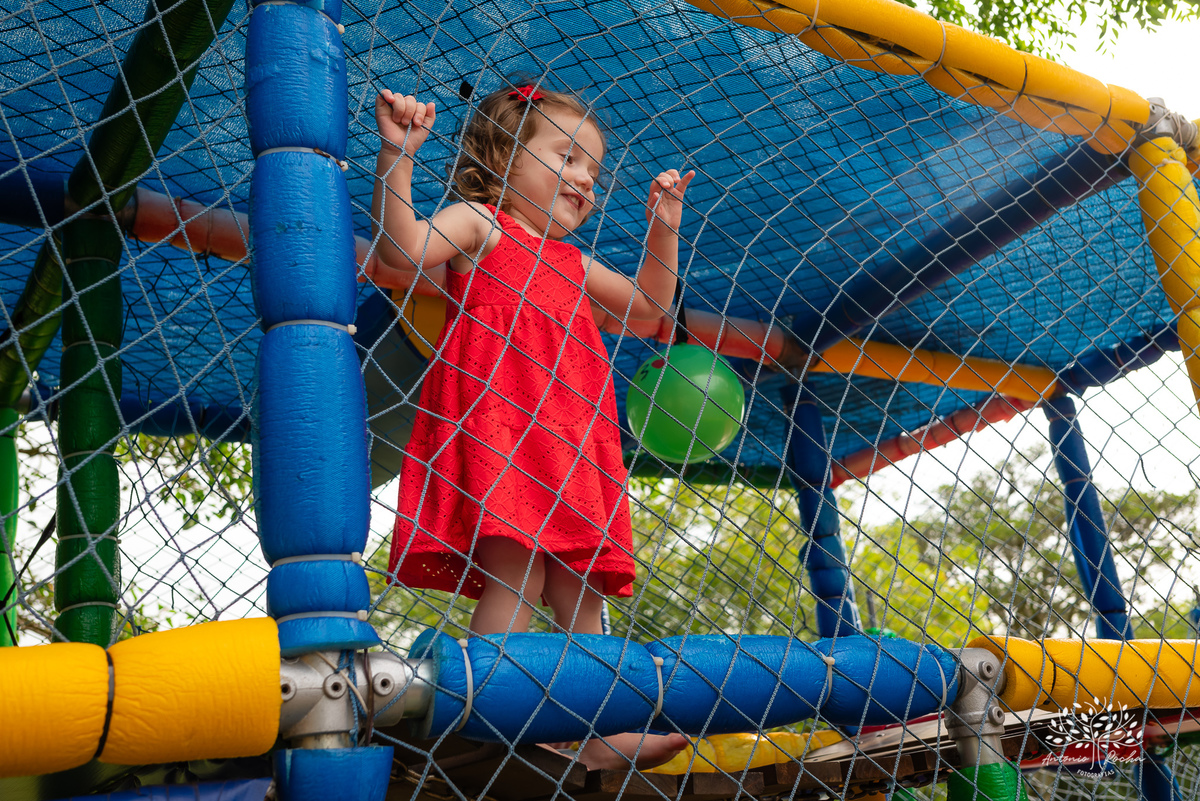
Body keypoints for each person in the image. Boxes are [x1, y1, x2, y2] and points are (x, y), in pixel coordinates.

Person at [367, 81, 692, 768]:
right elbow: (402, 251)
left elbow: (646, 309)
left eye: (593, 171)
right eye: (566, 157)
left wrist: (663, 225)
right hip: (505, 432)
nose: (583, 179)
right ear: (505, 157)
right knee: (519, 579)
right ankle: (494, 718)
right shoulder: (483, 224)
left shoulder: (574, 263)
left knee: (582, 588)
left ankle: (602, 728)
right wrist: (397, 157)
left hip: (572, 442)